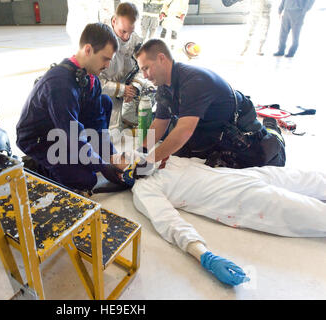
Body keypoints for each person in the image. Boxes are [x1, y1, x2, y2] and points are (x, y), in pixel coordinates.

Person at [127, 152, 326, 286]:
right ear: (124, 175)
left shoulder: (164, 158)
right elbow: (169, 222)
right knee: (315, 214)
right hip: (244, 199)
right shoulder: (145, 188)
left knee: (313, 179)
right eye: (122, 156)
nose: (132, 152)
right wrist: (205, 256)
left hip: (245, 175)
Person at [134, 39, 286, 169]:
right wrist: (141, 152)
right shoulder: (163, 87)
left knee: (267, 157)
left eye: (146, 68)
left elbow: (184, 131)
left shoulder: (193, 81)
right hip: (209, 127)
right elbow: (161, 121)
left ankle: (273, 129)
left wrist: (149, 160)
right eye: (142, 71)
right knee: (180, 156)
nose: (145, 76)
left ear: (161, 58)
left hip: (238, 125)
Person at [16, 23, 126, 192]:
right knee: (85, 180)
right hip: (40, 139)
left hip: (63, 128)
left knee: (104, 102)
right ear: (88, 50)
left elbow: (97, 124)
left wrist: (111, 156)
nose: (107, 65)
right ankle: (36, 166)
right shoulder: (60, 84)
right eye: (105, 58)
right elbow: (73, 135)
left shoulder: (92, 80)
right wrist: (103, 165)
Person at [99, 2, 152, 133]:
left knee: (152, 88)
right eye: (123, 31)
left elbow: (144, 68)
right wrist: (121, 90)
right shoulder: (99, 41)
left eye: (130, 31)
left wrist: (134, 87)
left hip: (128, 92)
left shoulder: (135, 40)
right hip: (104, 96)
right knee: (110, 132)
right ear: (114, 21)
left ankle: (131, 122)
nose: (126, 37)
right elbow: (94, 82)